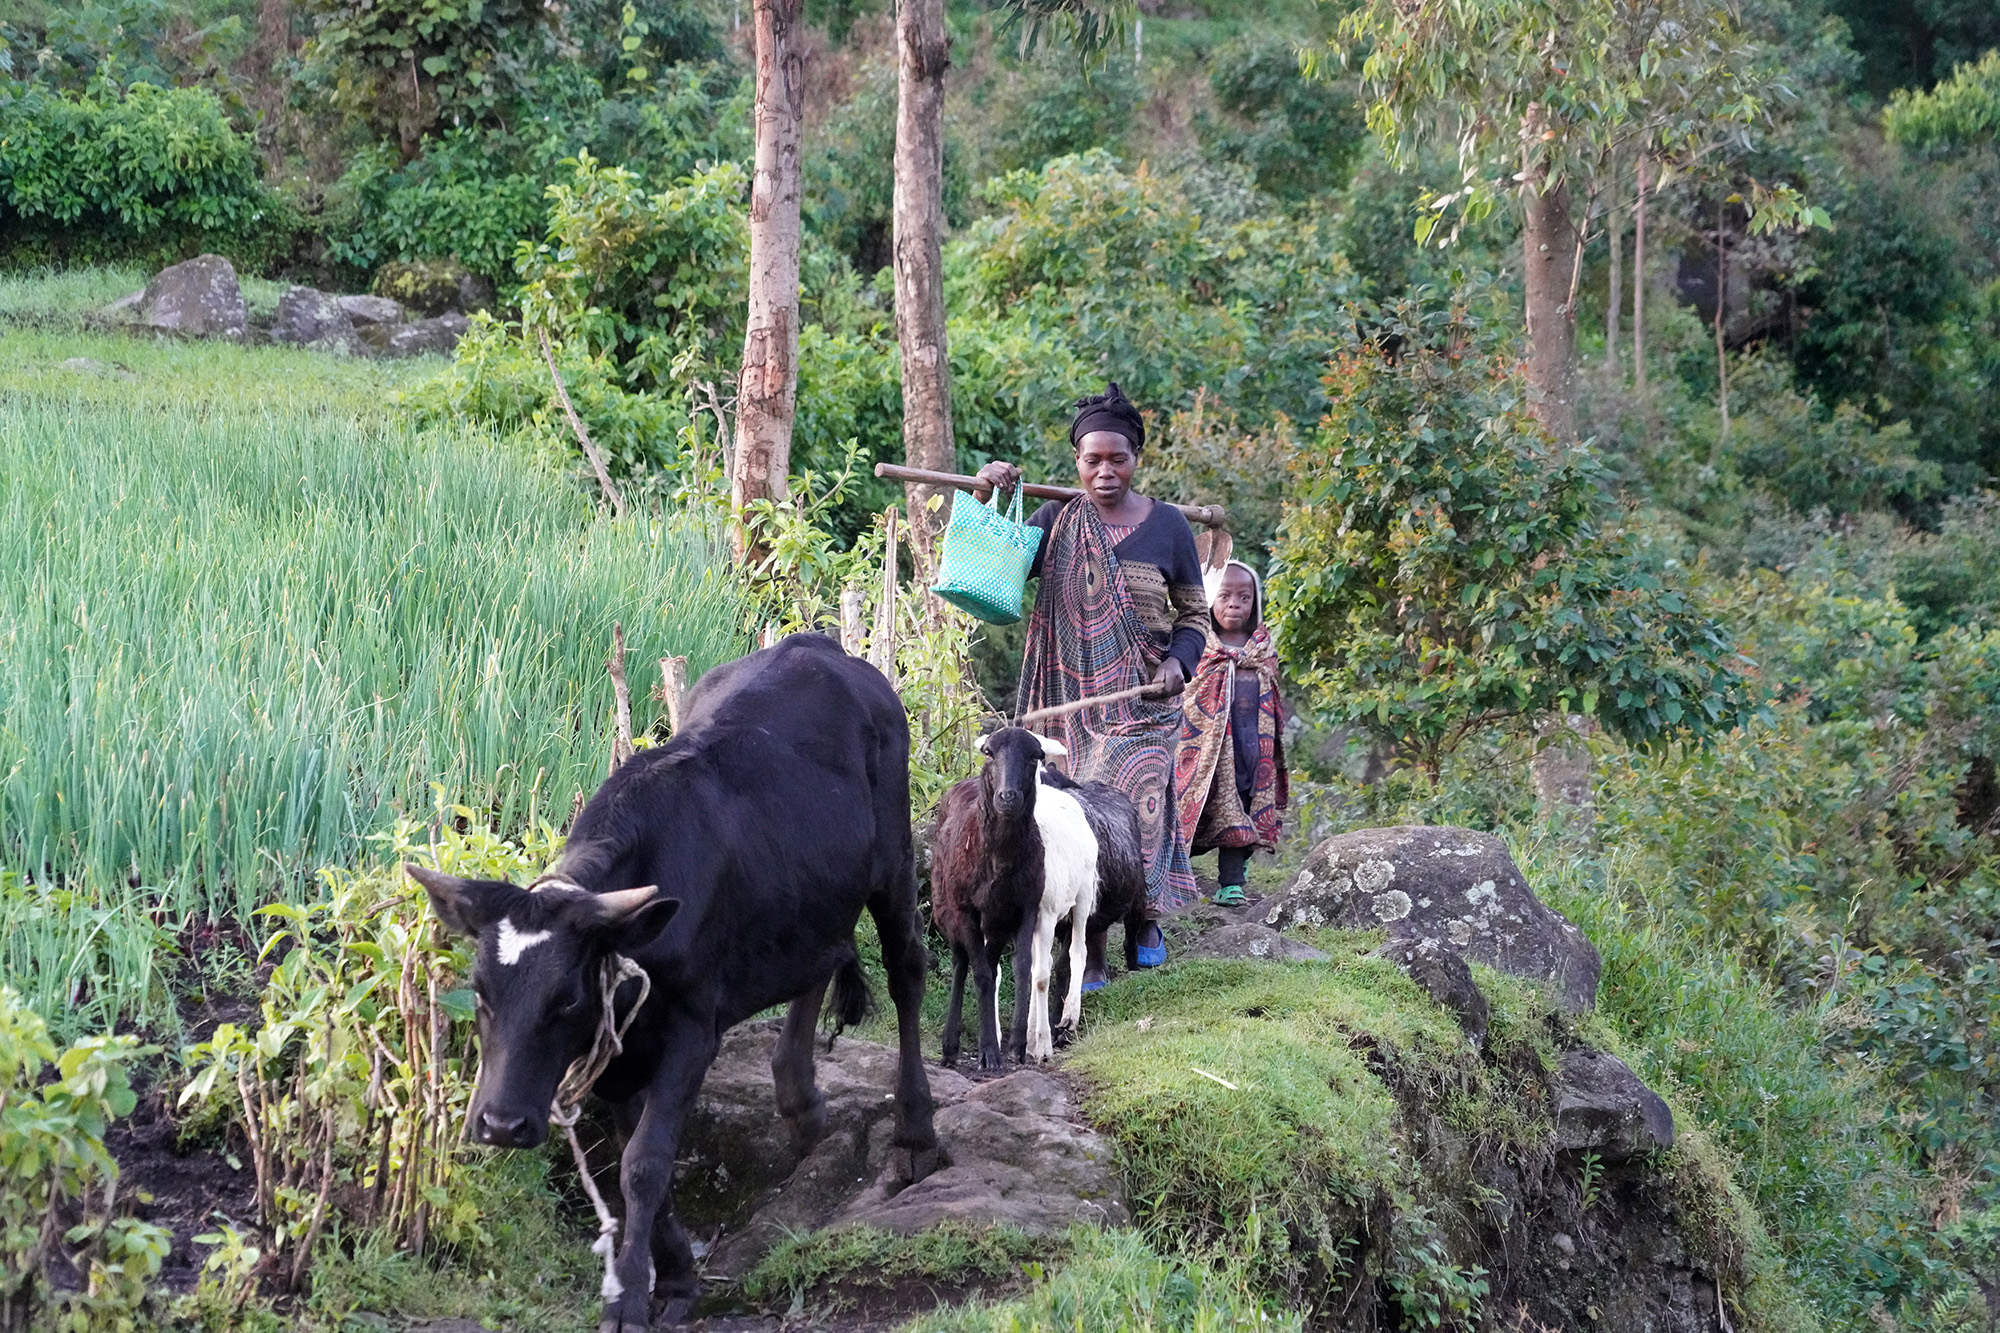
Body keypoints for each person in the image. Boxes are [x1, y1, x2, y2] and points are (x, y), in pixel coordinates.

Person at [976, 382, 1207, 974]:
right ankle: (1090, 945)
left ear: (1136, 459)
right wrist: (987, 496)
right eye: (1092, 460)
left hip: (1144, 701)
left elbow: (1194, 614)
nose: (1106, 472)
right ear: (1077, 461)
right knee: (1072, 808)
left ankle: (1146, 914)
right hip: (1066, 699)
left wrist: (1178, 663)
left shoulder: (1170, 526)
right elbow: (991, 572)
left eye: (1118, 459)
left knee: (1135, 795)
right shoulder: (1056, 520)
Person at [1173, 560, 1288, 908]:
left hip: (1251, 752)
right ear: (1209, 599)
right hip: (1204, 755)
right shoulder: (1200, 648)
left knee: (1241, 807)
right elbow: (1187, 698)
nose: (1234, 604)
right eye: (1224, 596)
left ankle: (1231, 883)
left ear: (1255, 602)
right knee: (1192, 806)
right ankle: (1175, 877)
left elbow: (1274, 702)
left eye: (1244, 597)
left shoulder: (1263, 649)